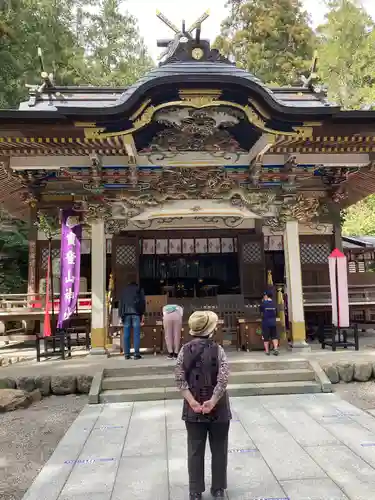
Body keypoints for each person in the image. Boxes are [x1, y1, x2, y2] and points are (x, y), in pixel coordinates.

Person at [175, 310, 231, 500]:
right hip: (219, 407)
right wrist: (213, 400)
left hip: (193, 408)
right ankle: (218, 489)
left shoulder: (184, 350)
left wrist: (191, 401)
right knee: (219, 448)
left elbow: (179, 378)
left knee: (195, 449)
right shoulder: (219, 350)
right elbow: (223, 380)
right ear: (211, 330)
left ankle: (195, 491)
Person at [119, 281, 145, 360]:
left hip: (126, 314)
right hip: (136, 314)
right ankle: (136, 354)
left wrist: (120, 315)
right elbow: (142, 302)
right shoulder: (139, 289)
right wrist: (142, 313)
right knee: (136, 334)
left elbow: (121, 303)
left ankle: (127, 354)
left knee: (126, 335)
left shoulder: (124, 291)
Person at [260, 290, 279, 356]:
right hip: (273, 322)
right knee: (274, 336)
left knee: (266, 337)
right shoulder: (274, 303)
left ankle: (267, 351)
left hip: (266, 322)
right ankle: (276, 349)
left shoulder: (263, 303)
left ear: (266, 296)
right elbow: (276, 312)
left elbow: (261, 311)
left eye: (264, 295)